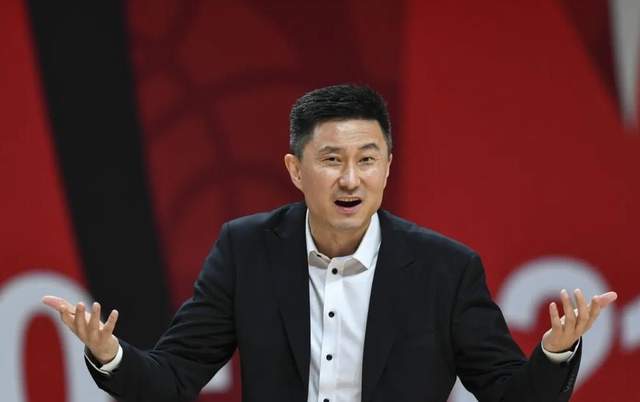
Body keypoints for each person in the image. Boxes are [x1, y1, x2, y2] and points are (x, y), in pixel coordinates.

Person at [43, 84, 617, 402]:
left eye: (367, 160)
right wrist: (110, 355)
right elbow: (174, 378)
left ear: (387, 167)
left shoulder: (445, 268)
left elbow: (508, 398)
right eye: (331, 160)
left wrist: (554, 353)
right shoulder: (247, 250)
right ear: (295, 169)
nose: (350, 180)